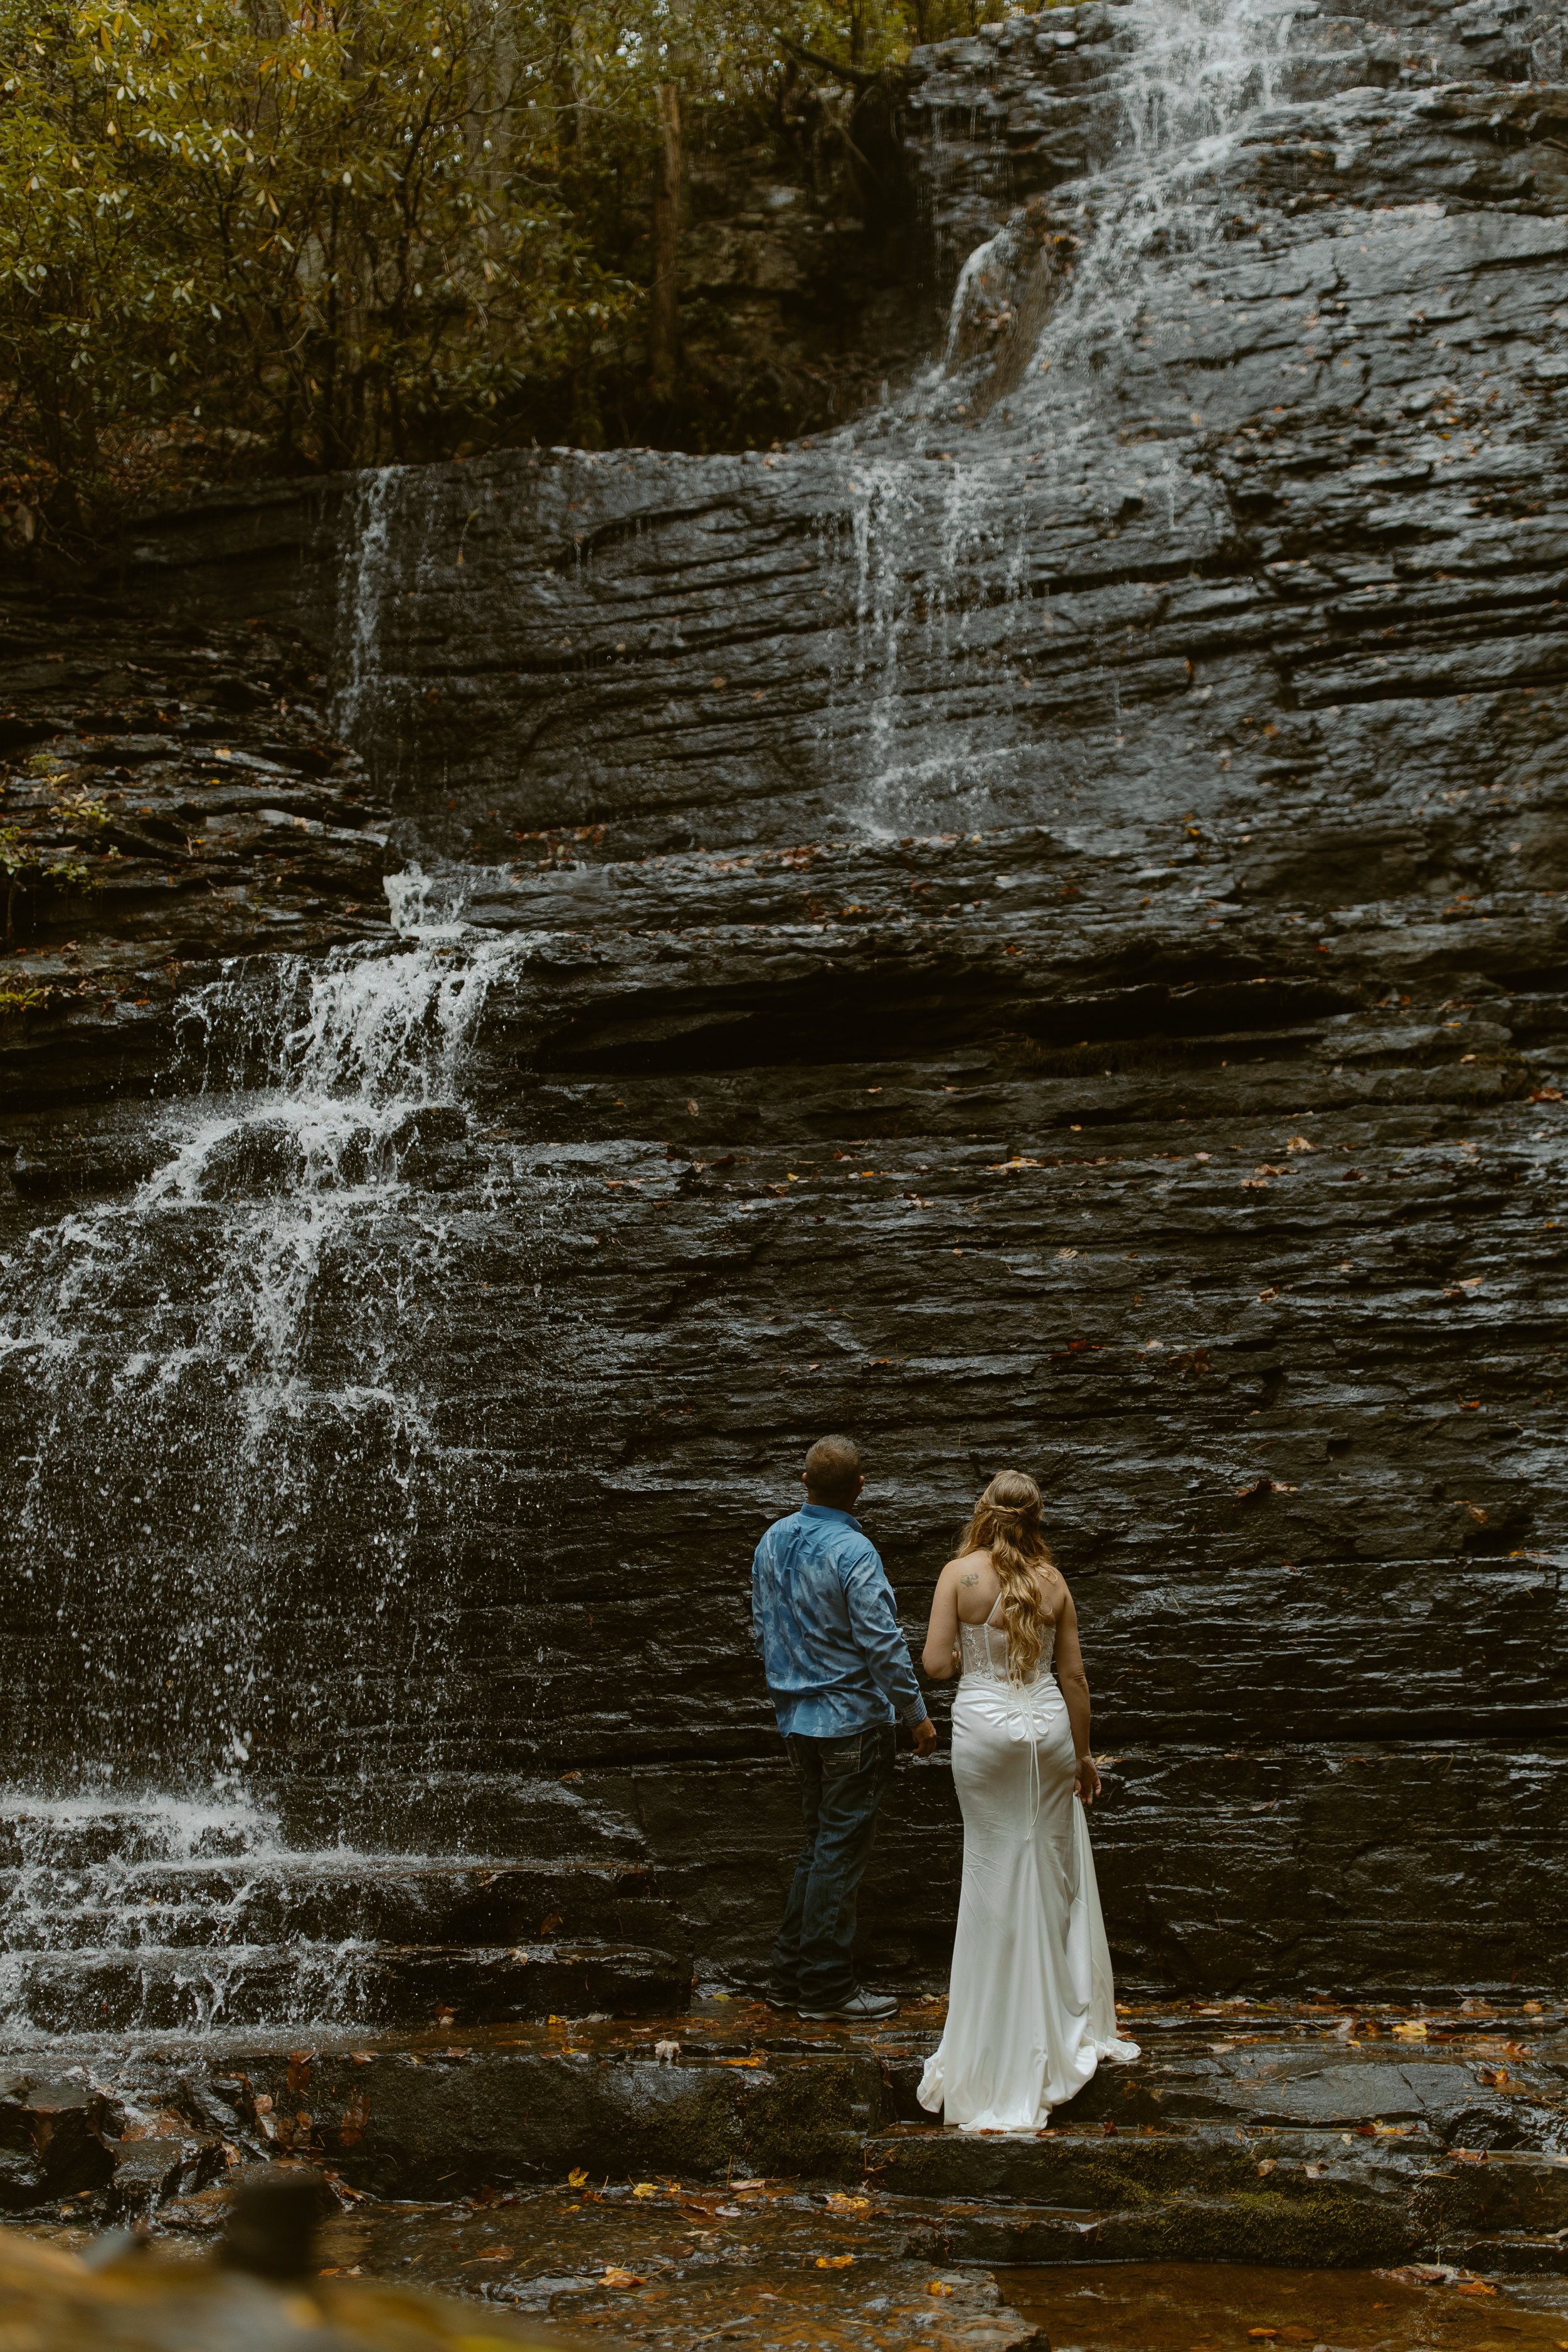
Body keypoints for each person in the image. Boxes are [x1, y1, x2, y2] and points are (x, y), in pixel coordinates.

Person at [916, 1470, 1139, 2129]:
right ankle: (1058, 2018)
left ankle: (991, 2037)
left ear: (982, 1513)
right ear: (1037, 1518)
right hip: (1047, 1732)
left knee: (991, 1871)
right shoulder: (1054, 1582)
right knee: (1049, 1871)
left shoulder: (958, 1576)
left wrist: (972, 1659)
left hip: (985, 1731)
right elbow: (1074, 1676)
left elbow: (935, 1665)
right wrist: (1085, 1755)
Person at [751, 1434, 938, 2021]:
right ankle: (827, 1987)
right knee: (837, 1853)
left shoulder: (771, 1540)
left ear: (805, 1481)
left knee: (819, 1846)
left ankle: (787, 1979)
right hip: (852, 1722)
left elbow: (762, 1627)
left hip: (796, 1722)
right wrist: (916, 1715)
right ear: (860, 1487)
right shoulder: (854, 1551)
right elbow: (881, 1643)